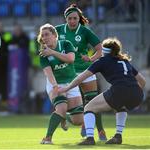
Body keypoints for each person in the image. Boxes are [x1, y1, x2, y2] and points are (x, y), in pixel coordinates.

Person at [58, 37, 146, 145]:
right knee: (121, 107)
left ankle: (89, 138)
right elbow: (143, 81)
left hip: (119, 91)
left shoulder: (102, 61)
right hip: (137, 94)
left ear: (104, 51)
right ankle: (118, 136)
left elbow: (81, 77)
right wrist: (134, 92)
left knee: (88, 108)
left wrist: (66, 88)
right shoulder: (124, 61)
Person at [55, 3, 107, 140]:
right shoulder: (58, 30)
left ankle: (101, 130)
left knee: (93, 101)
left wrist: (91, 59)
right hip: (68, 73)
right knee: (70, 109)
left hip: (86, 71)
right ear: (65, 18)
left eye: (75, 18)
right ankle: (68, 118)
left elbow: (100, 49)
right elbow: (45, 40)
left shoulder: (85, 31)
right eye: (69, 18)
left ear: (79, 19)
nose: (72, 21)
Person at [38, 23, 84, 144]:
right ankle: (47, 138)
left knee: (78, 121)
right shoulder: (43, 54)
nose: (44, 37)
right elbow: (48, 73)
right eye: (42, 36)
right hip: (55, 84)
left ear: (54, 35)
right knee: (62, 107)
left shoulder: (66, 44)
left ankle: (64, 117)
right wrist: (55, 86)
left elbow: (70, 59)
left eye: (47, 34)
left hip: (71, 83)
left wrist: (53, 53)